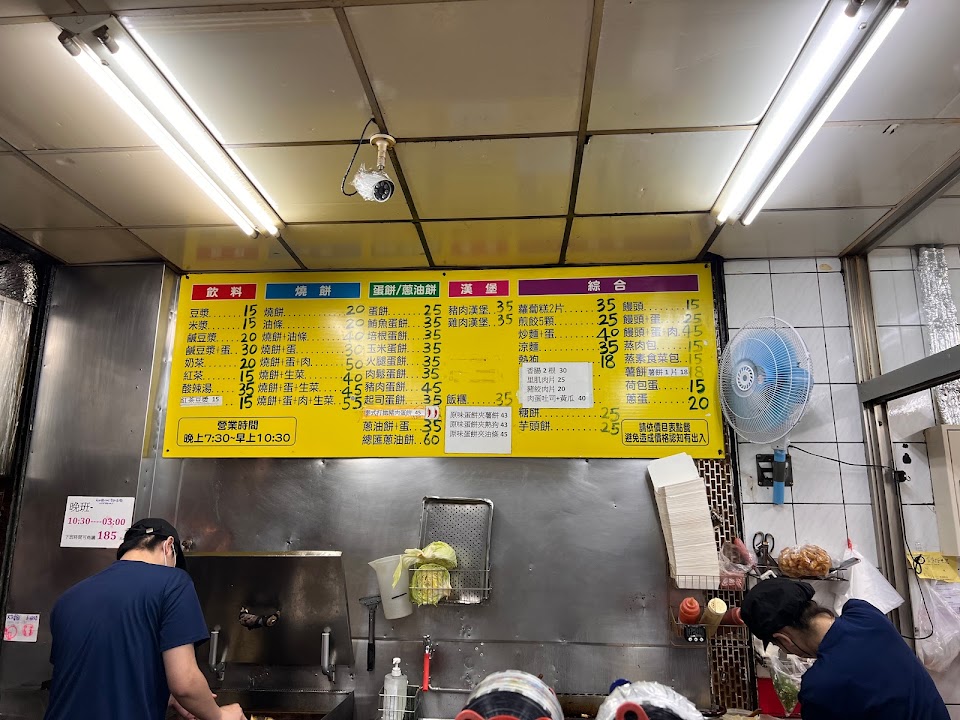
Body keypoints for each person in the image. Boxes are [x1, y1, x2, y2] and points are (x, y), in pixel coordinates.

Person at [44, 518, 246, 720]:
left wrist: (167, 697)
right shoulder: (173, 582)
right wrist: (220, 716)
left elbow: (94, 674)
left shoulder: (67, 599)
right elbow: (185, 683)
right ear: (168, 546)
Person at [741, 576, 949, 720]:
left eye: (778, 645)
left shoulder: (819, 686)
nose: (787, 652)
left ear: (784, 639)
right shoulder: (865, 614)